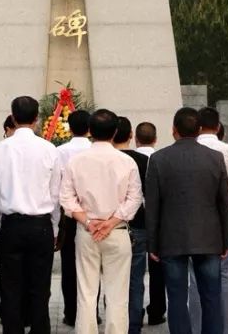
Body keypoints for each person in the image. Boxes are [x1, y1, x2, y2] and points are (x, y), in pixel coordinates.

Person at [145, 107, 228, 334]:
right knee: (212, 296)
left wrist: (152, 244)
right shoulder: (215, 158)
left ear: (174, 130)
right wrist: (225, 241)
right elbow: (224, 202)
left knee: (176, 298)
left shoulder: (158, 159)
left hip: (172, 238)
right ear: (200, 130)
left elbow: (153, 205)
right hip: (209, 237)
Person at [61, 110, 142, 334]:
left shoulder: (76, 161)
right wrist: (112, 221)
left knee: (86, 292)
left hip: (87, 233)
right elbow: (135, 198)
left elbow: (66, 198)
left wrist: (88, 221)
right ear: (115, 132)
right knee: (118, 294)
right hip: (117, 232)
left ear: (90, 131)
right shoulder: (126, 161)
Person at [0, 96, 62, 334]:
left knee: (10, 288)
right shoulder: (49, 149)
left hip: (11, 225)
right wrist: (55, 229)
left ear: (13, 116)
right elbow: (55, 195)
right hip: (41, 226)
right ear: (37, 118)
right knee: (40, 288)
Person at [190, 108, 228, 333]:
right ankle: (227, 328)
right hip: (224, 217)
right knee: (224, 275)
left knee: (195, 277)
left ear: (197, 127)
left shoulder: (190, 151)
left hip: (193, 219)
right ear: (219, 127)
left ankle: (197, 326)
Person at [112, 118, 149, 334]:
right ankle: (133, 323)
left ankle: (116, 323)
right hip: (138, 224)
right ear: (130, 135)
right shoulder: (143, 160)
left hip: (112, 225)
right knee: (136, 278)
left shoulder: (106, 160)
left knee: (112, 278)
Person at [57, 110, 93, 327]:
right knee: (92, 267)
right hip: (95, 216)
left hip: (69, 216)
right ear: (90, 128)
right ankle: (91, 315)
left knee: (69, 266)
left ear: (69, 127)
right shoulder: (95, 150)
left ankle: (71, 313)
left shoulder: (60, 151)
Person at [133, 122, 165, 326]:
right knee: (158, 270)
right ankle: (157, 311)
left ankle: (133, 312)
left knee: (133, 272)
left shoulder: (128, 159)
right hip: (159, 221)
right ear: (155, 139)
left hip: (133, 220)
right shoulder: (161, 159)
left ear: (135, 138)